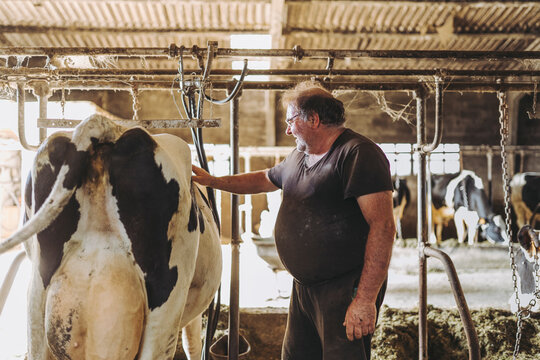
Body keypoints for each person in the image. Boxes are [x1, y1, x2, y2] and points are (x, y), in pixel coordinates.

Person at [192, 81, 395, 360]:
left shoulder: (357, 154)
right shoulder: (299, 156)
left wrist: (365, 299)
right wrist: (214, 181)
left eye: (291, 121)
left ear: (313, 119)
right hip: (303, 288)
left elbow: (383, 227)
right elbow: (265, 178)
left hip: (344, 288)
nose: (287, 130)